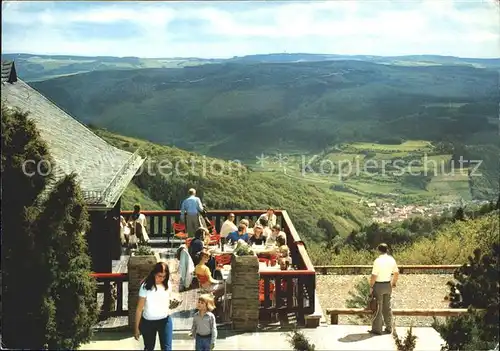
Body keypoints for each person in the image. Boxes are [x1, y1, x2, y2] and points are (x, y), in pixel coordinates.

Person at [134, 262, 181, 351]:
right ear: (154, 273)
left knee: (167, 348)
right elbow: (139, 309)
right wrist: (136, 328)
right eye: (159, 276)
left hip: (165, 320)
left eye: (164, 276)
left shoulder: (168, 284)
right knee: (149, 348)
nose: (162, 279)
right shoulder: (145, 287)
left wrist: (175, 300)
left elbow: (170, 297)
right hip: (148, 322)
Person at [369, 243, 399, 335]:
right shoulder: (391, 259)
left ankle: (377, 330)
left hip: (378, 285)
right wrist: (393, 283)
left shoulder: (377, 261)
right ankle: (389, 328)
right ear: (387, 250)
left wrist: (371, 286)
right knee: (387, 307)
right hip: (387, 285)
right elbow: (396, 273)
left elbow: (374, 276)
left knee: (378, 308)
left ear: (379, 250)